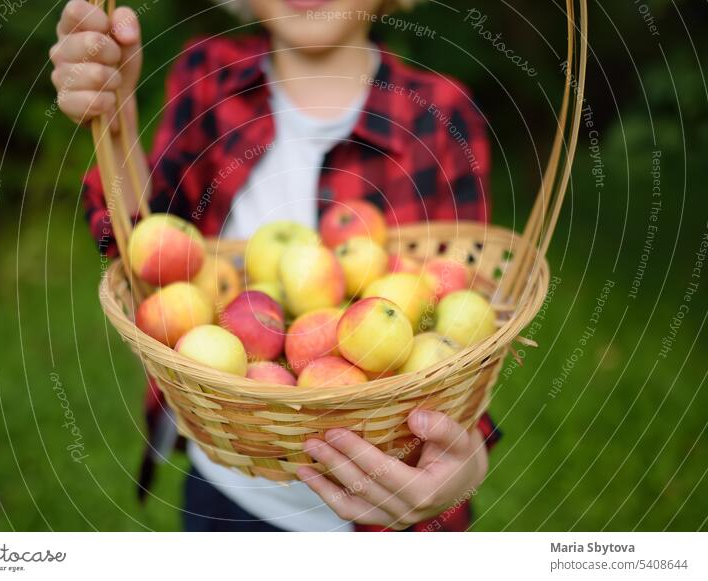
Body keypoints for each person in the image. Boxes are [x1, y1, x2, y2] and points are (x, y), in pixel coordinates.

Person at [49, 0, 500, 531]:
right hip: (229, 484)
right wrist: (117, 120)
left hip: (384, 505)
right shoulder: (208, 80)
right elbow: (148, 250)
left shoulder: (440, 118)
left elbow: (459, 336)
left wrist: (463, 463)